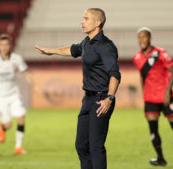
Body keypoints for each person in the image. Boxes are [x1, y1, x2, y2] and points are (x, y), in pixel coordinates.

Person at [35, 8, 121, 169]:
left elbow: (115, 74)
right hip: (87, 100)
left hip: (101, 100)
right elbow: (72, 50)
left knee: (95, 147)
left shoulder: (105, 46)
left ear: (97, 23)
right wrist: (51, 51)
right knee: (81, 146)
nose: (82, 22)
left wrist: (109, 98)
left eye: (86, 19)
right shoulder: (87, 42)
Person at [133, 27, 173, 168]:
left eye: (144, 37)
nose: (142, 40)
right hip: (150, 98)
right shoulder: (137, 57)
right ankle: (160, 158)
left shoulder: (161, 53)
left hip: (165, 97)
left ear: (150, 38)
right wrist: (144, 93)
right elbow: (142, 75)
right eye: (139, 37)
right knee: (153, 129)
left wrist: (167, 92)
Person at [0, 34, 35, 155]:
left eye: (6, 45)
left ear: (10, 46)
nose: (4, 47)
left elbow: (25, 72)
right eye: (1, 45)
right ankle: (3, 127)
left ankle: (18, 147)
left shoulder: (17, 58)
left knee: (21, 117)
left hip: (14, 94)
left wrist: (31, 81)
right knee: (8, 124)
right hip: (0, 96)